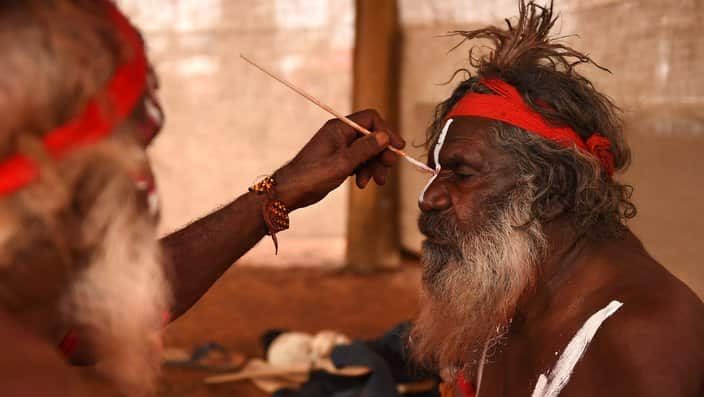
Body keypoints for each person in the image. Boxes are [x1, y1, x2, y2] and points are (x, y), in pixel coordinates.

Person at [0, 1, 404, 396]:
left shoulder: (33, 311)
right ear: (68, 180)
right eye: (137, 147)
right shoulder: (32, 379)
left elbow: (85, 323)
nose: (144, 181)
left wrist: (281, 192)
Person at [409, 1, 704, 396]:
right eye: (433, 172)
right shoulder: (502, 292)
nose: (429, 198)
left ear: (552, 192)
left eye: (461, 174)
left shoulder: (643, 332)